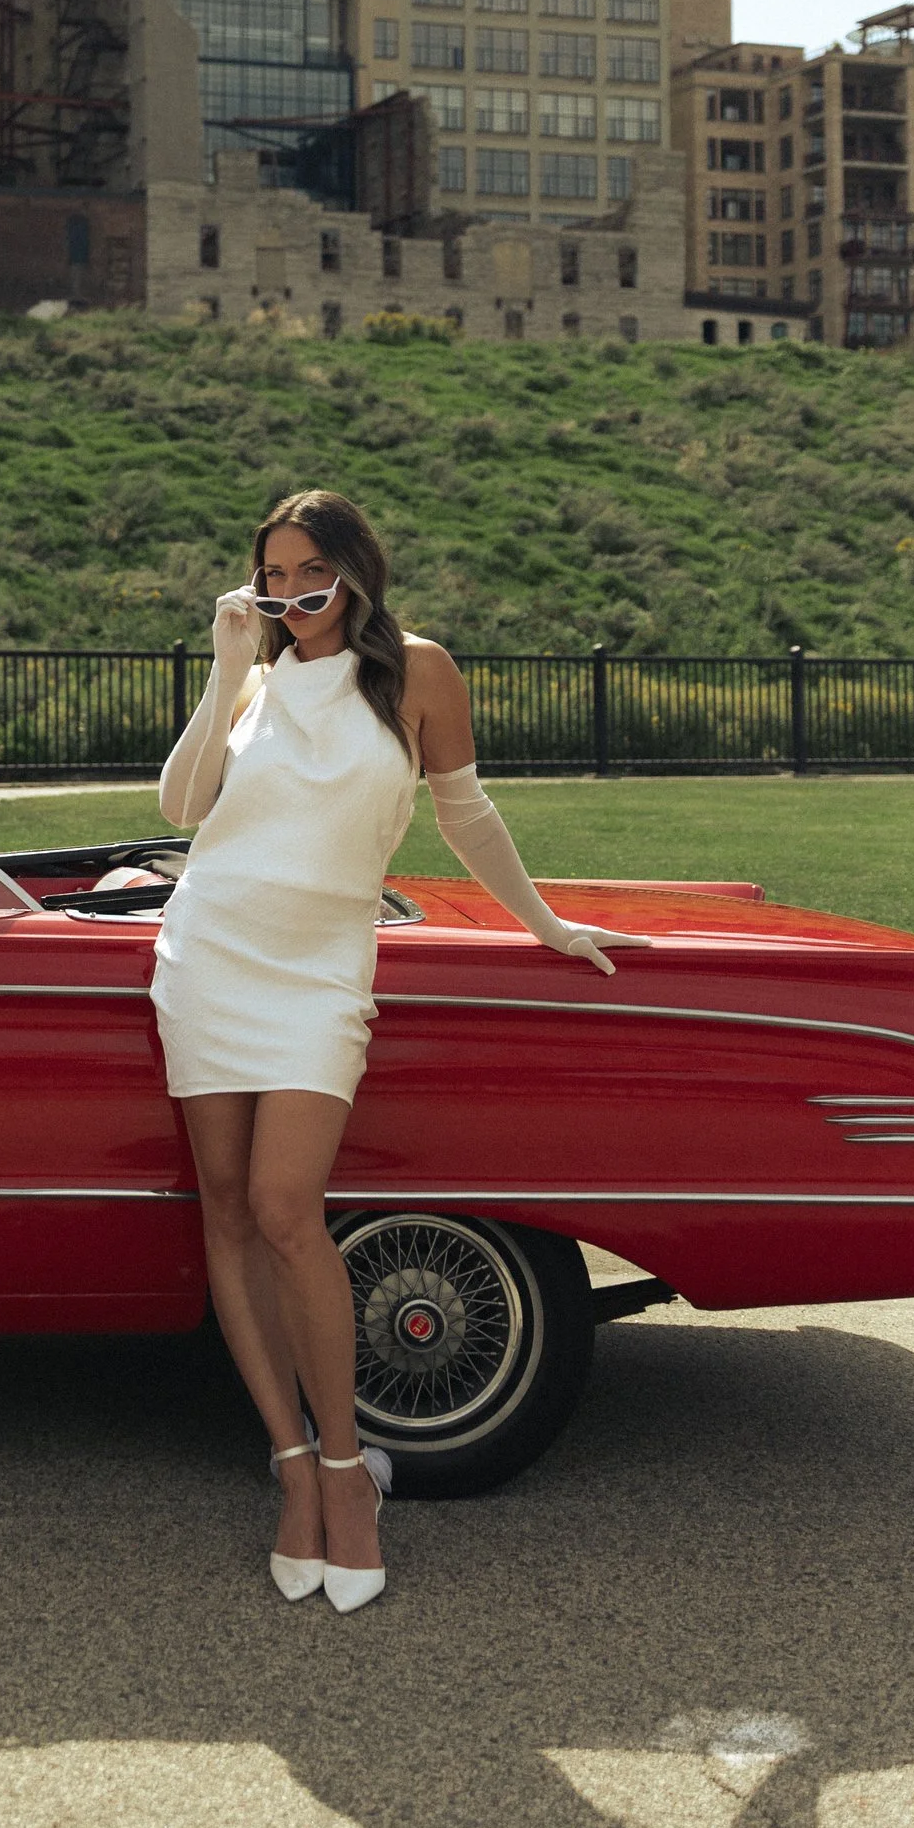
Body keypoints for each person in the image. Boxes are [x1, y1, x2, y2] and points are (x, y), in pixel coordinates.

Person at [153, 487, 618, 1613]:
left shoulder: (418, 670)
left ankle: (352, 1470)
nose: (284, 591)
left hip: (317, 973)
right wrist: (224, 669)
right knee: (224, 1209)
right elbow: (179, 808)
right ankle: (294, 1467)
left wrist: (546, 926)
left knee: (281, 1206)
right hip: (206, 953)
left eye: (304, 569)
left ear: (355, 570)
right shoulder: (255, 680)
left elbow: (465, 814)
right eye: (268, 574)